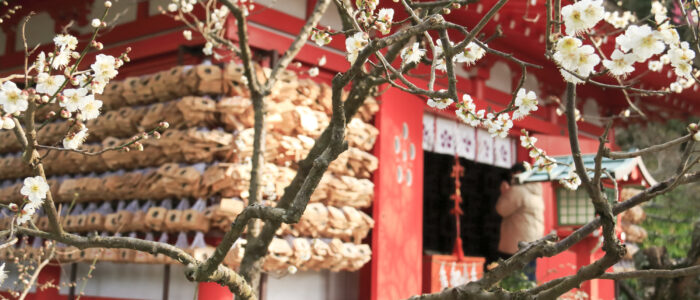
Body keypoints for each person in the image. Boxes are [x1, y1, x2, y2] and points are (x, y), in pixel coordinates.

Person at [495, 163, 544, 281]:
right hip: (533, 241)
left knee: (514, 279)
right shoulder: (536, 190)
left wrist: (505, 193)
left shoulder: (518, 190)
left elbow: (501, 209)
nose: (512, 179)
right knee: (529, 277)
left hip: (517, 243)